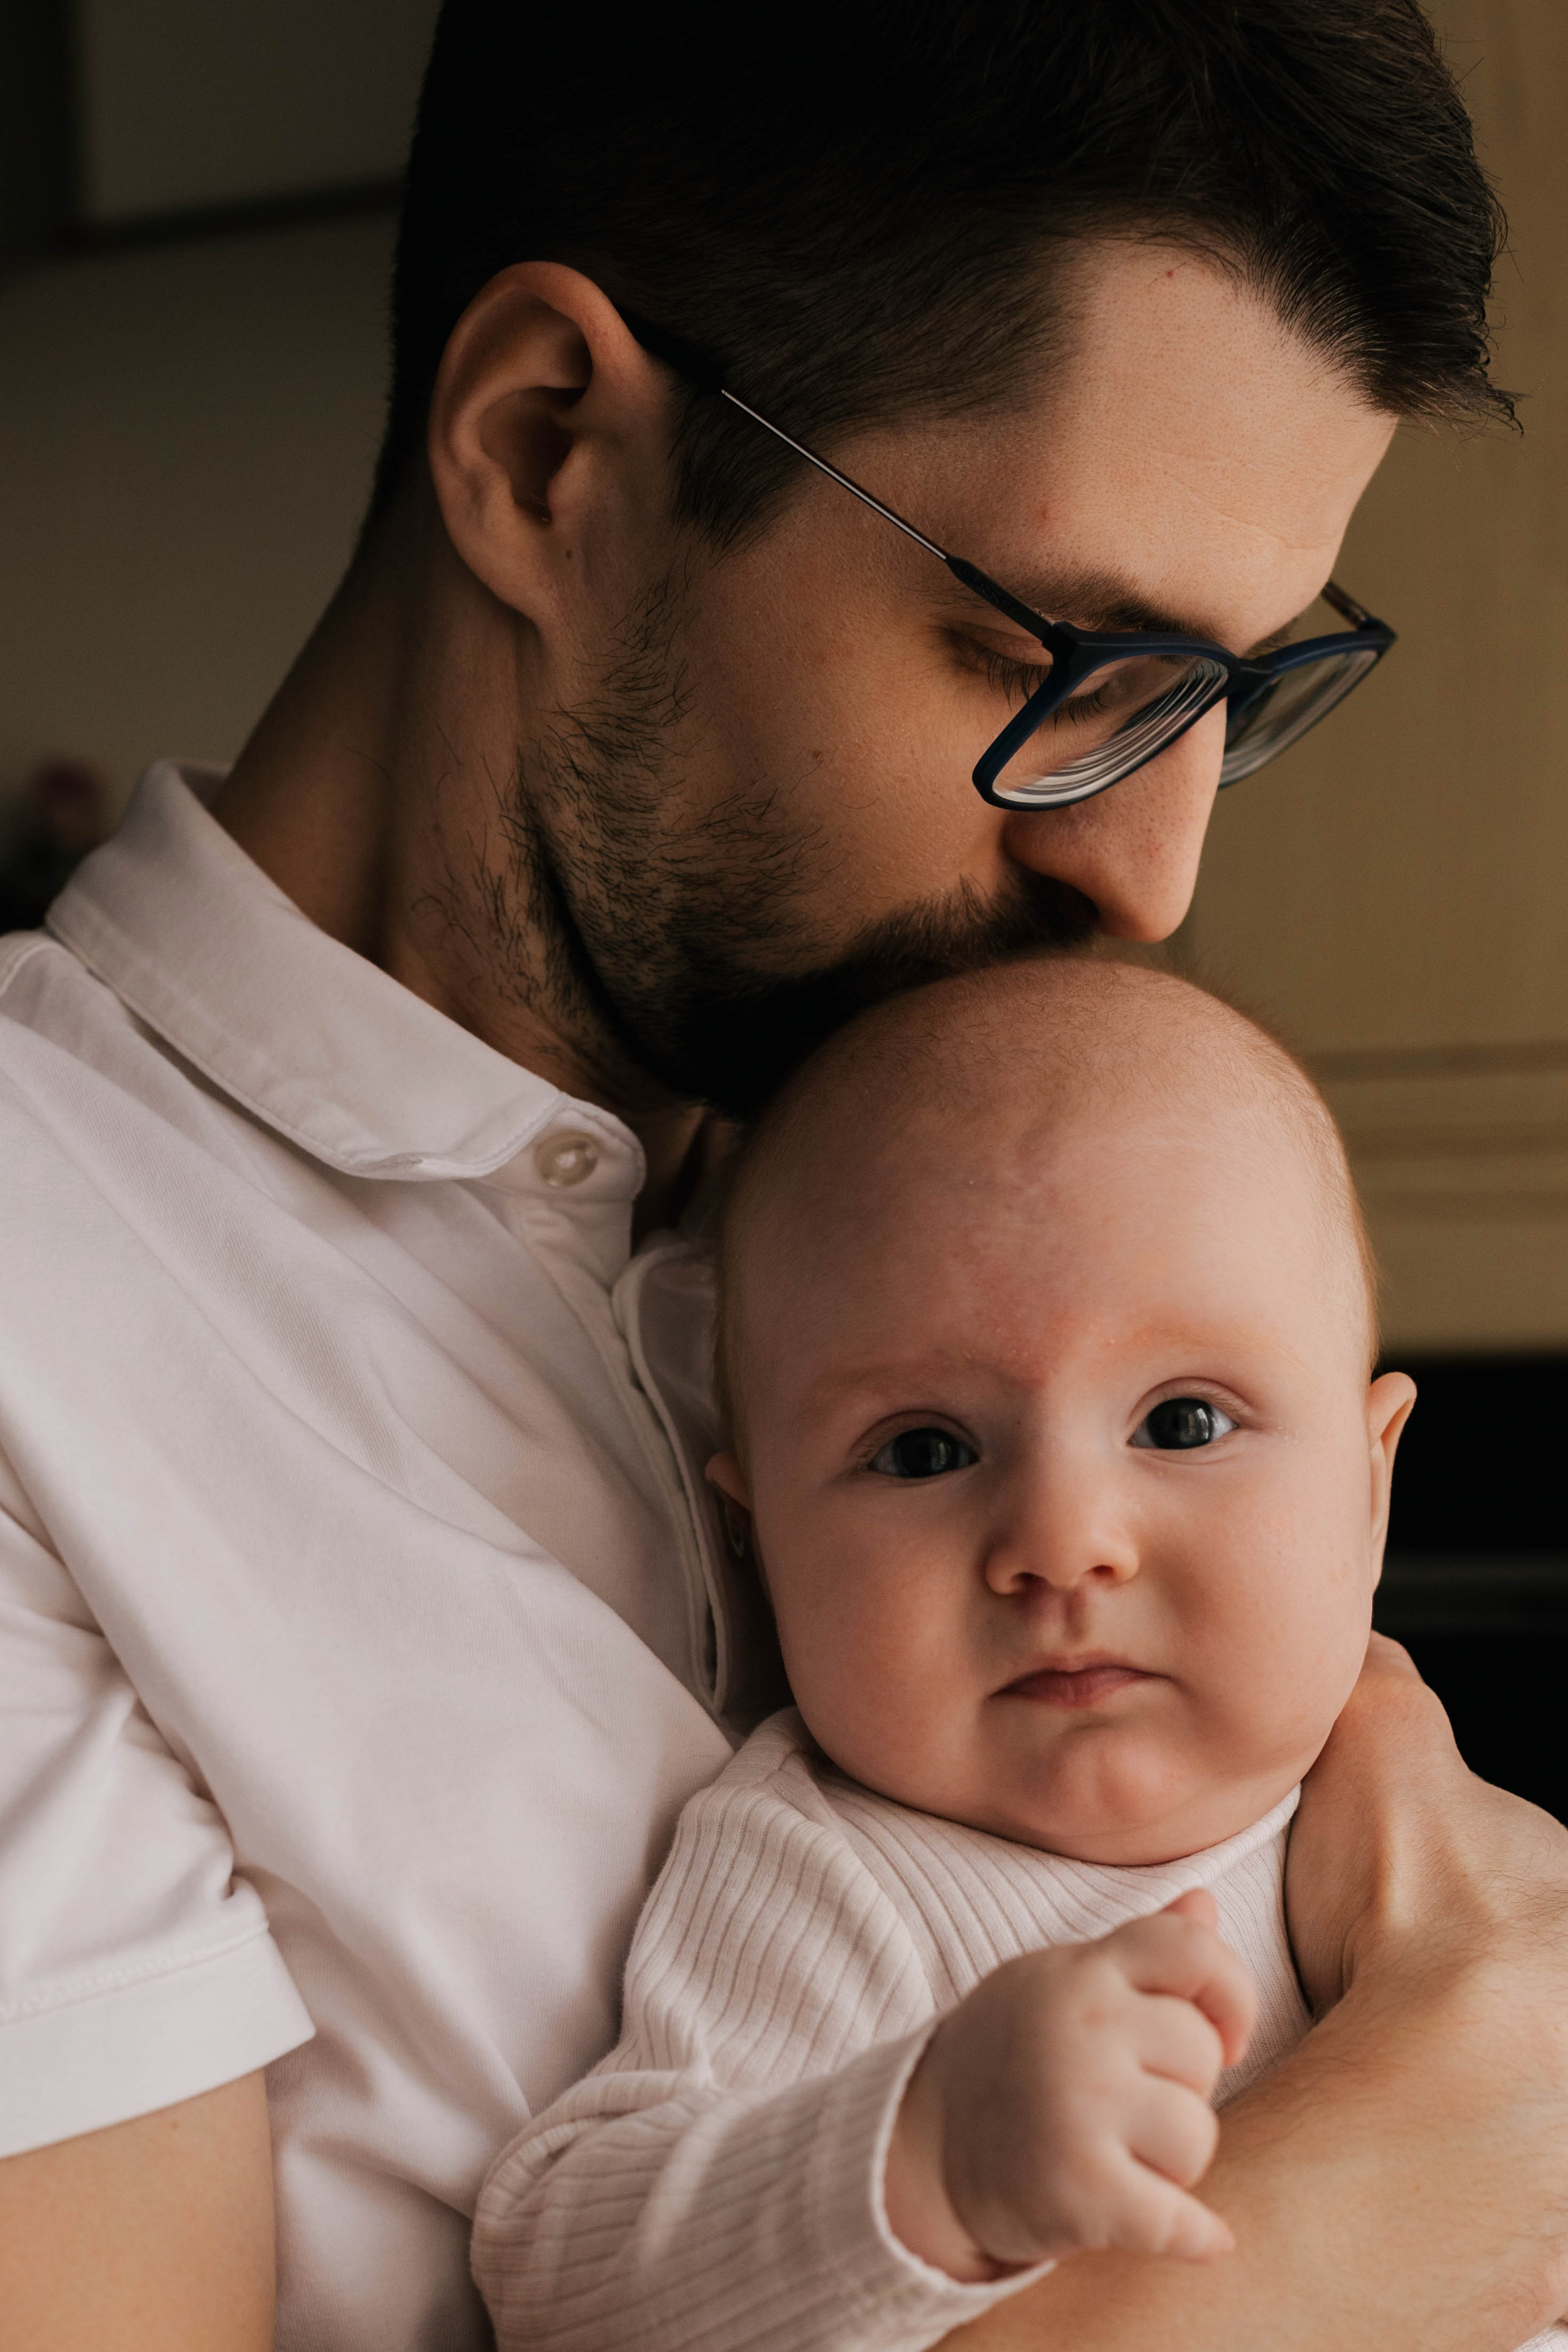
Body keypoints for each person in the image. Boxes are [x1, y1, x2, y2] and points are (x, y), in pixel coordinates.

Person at [2, 5, 1567, 2349]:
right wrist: (1414, 2170)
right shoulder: (42, 1308)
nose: (1148, 878)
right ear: (546, 450)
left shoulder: (983, 1184)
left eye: (1221, 705)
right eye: (1054, 660)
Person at [469, 959, 1567, 2352]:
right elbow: (567, 2278)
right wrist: (925, 2157)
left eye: (1182, 1423)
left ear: (1370, 1489)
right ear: (756, 1537)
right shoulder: (833, 1870)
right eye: (922, 1450)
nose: (1061, 1541)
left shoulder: (1410, 1810)